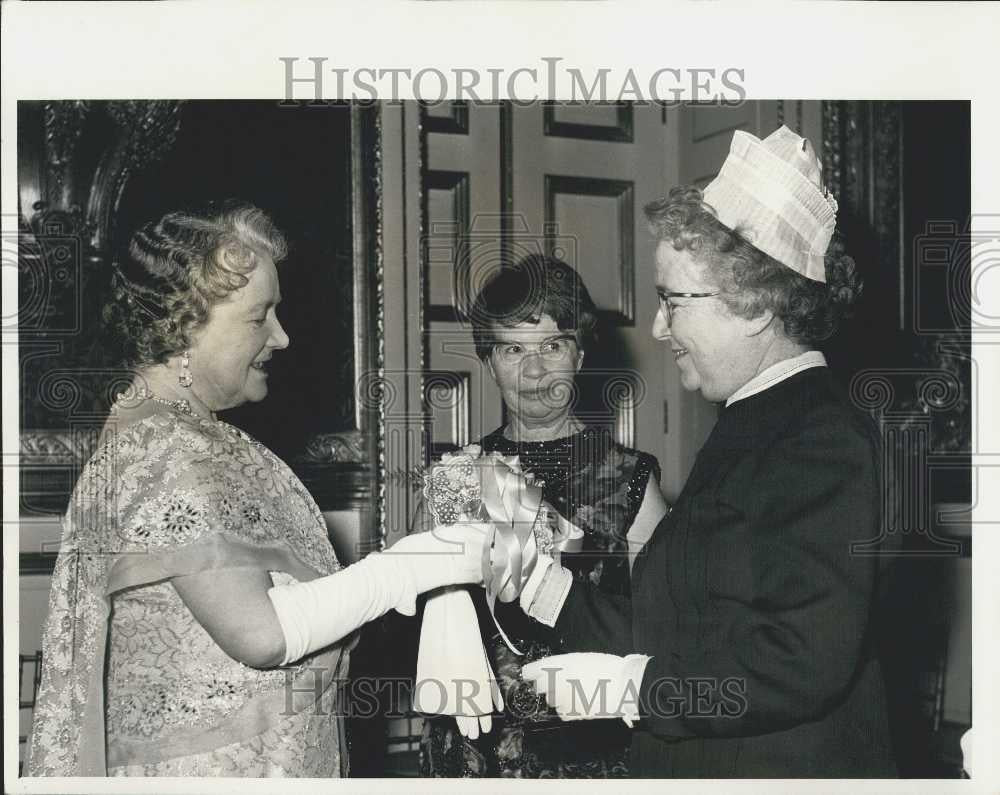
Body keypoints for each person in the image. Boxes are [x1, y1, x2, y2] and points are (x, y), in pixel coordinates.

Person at [25, 202, 487, 777]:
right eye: (259, 315)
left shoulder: (182, 435)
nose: (282, 336)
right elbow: (262, 635)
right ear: (185, 324)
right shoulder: (168, 446)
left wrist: (432, 571)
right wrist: (415, 566)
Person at [519, 127, 898, 777]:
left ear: (753, 306)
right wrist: (543, 585)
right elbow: (688, 625)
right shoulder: (757, 422)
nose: (660, 326)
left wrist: (632, 689)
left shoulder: (821, 440)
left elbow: (798, 659)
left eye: (672, 299)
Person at [419, 255, 669, 778]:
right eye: (512, 349)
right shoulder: (459, 475)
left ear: (578, 356)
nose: (534, 372)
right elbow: (416, 617)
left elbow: (663, 631)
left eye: (552, 346)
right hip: (475, 747)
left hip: (587, 750)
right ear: (489, 362)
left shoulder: (631, 480)